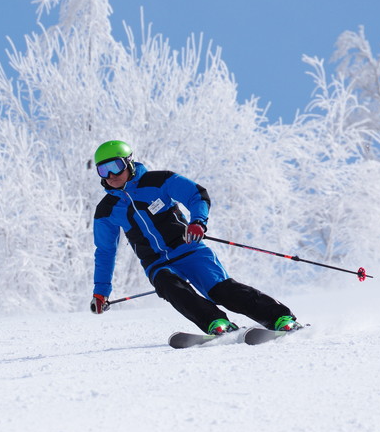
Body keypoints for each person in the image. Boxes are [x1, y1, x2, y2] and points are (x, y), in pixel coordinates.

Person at [90, 140, 302, 335]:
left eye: (115, 166)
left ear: (129, 163)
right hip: (156, 263)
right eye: (103, 170)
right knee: (169, 285)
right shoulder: (106, 210)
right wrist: (101, 292)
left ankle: (280, 317)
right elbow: (105, 251)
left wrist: (198, 221)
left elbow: (196, 194)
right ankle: (216, 323)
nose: (111, 175)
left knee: (221, 290)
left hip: (189, 249)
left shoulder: (159, 180)